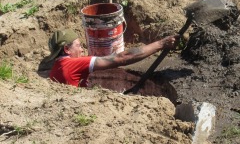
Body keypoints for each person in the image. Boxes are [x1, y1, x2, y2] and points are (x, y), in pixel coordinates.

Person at [45, 29, 178, 87]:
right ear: (66, 49)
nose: (81, 49)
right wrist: (161, 44)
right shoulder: (74, 64)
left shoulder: (55, 69)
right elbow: (123, 57)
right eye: (78, 46)